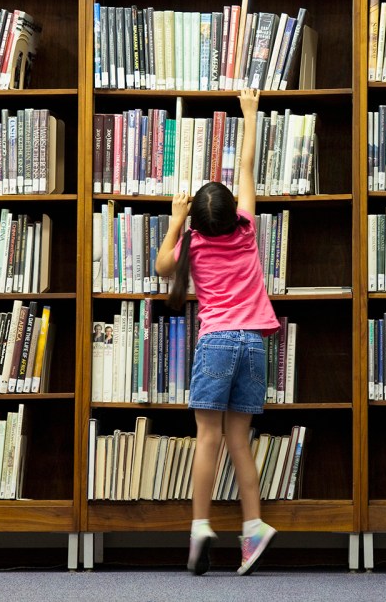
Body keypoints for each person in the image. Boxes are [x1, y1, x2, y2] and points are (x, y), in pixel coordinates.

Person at [154, 87, 280, 577]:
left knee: (207, 438)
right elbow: (247, 169)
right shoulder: (247, 228)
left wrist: (176, 220)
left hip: (217, 342)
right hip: (254, 344)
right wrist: (250, 115)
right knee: (240, 441)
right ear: (231, 214)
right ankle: (253, 528)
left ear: (199, 223)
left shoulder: (192, 246)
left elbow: (163, 267)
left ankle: (201, 524)